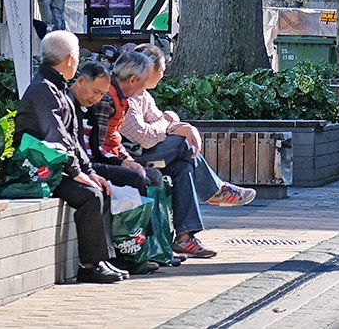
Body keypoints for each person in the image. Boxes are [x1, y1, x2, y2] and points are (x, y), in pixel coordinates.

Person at [12, 30, 126, 284]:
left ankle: (103, 259)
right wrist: (78, 173)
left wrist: (90, 172)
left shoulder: (56, 89)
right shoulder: (43, 90)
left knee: (99, 188)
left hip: (54, 167)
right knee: (90, 195)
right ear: (70, 60)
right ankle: (90, 265)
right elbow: (56, 138)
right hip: (36, 171)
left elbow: (72, 140)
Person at [90, 49, 219, 259]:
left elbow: (113, 139)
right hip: (112, 158)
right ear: (133, 80)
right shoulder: (110, 97)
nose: (142, 91)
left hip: (124, 155)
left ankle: (177, 240)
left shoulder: (129, 96)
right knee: (170, 155)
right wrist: (125, 161)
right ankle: (149, 249)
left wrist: (126, 159)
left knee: (181, 167)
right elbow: (109, 142)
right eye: (142, 84)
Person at [121, 44, 255, 209]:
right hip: (130, 156)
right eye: (161, 69)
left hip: (143, 150)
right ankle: (216, 190)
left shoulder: (143, 95)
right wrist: (169, 123)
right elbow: (146, 137)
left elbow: (163, 120)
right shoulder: (127, 98)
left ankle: (188, 226)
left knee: (183, 168)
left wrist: (185, 127)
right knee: (183, 142)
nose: (163, 73)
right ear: (148, 70)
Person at [69, 60, 166, 274]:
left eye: (100, 93)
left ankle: (146, 246)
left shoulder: (110, 99)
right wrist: (117, 163)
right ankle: (134, 251)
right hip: (88, 162)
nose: (96, 98)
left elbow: (107, 140)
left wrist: (124, 160)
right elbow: (99, 143)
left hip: (95, 159)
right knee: (135, 179)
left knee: (155, 174)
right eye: (96, 92)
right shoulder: (104, 100)